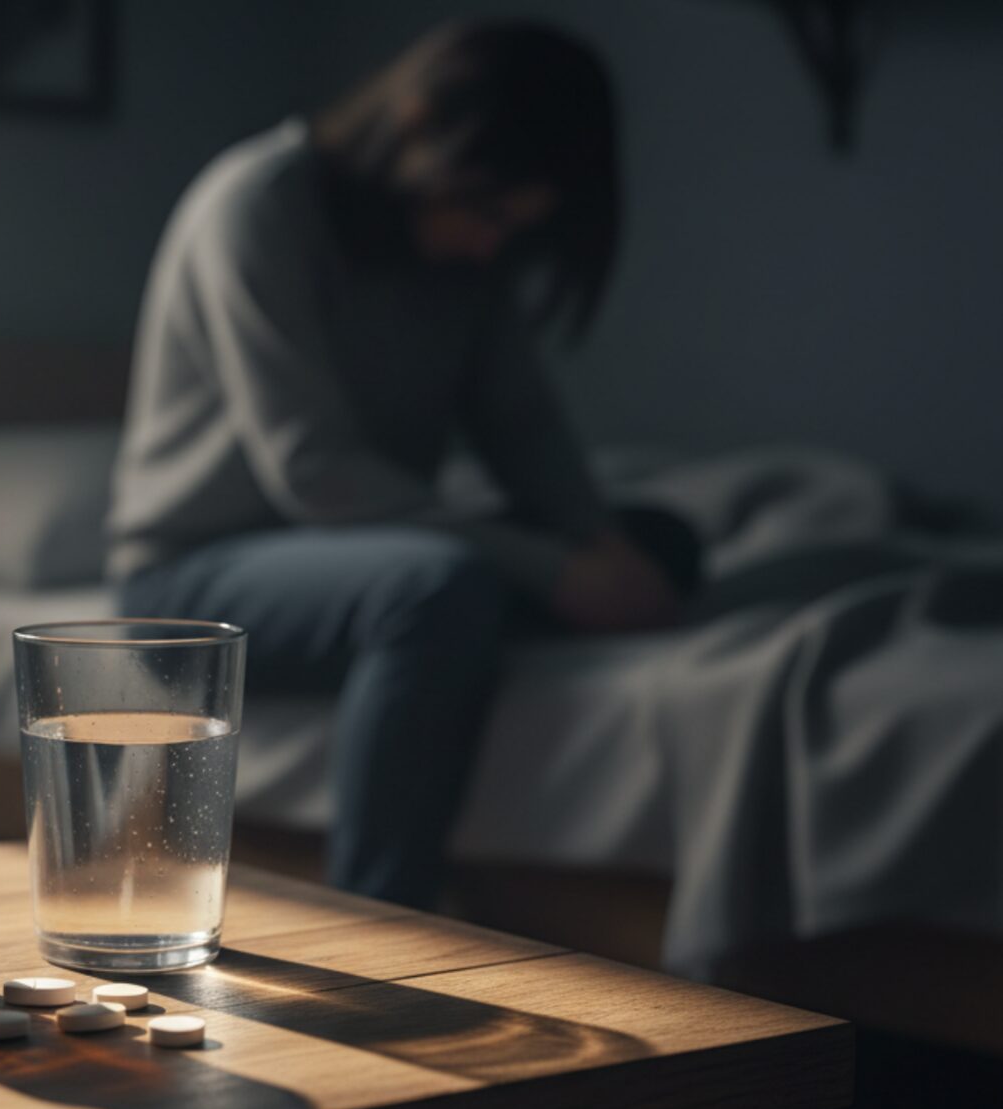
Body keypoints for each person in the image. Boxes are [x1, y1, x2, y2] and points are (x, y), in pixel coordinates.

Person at [108, 20, 689, 907]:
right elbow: (315, 470)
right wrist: (551, 568)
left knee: (664, 541)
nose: (492, 243)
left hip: (372, 556)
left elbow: (523, 427)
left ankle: (472, 632)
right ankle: (380, 917)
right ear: (416, 123)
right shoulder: (258, 205)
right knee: (436, 587)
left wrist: (600, 547)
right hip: (194, 588)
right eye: (488, 211)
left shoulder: (462, 252)